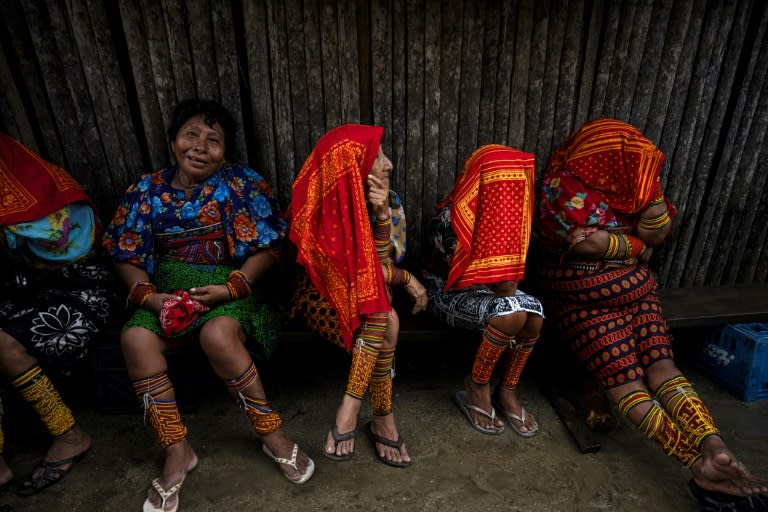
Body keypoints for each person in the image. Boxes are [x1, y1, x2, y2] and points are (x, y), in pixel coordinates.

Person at [535, 118, 768, 510]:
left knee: (663, 367)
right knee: (627, 381)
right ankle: (698, 463)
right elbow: (590, 246)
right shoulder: (562, 187)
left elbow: (657, 235)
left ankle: (714, 446)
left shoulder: (633, 184)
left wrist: (648, 202)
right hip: (585, 299)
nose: (637, 169)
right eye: (629, 161)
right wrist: (637, 247)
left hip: (638, 292)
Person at [102, 99, 314, 512]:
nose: (200, 146)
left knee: (218, 334)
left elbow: (270, 250)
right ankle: (178, 451)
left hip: (231, 292)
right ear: (173, 140)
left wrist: (233, 287)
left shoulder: (241, 184)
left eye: (213, 140)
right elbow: (125, 255)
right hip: (167, 297)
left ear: (226, 151)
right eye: (191, 135)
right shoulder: (145, 190)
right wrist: (150, 297)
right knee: (134, 339)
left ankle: (271, 434)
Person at [287, 124, 427, 467]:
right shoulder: (321, 206)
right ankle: (372, 414)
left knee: (384, 316)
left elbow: (376, 271)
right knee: (384, 317)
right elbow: (357, 277)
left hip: (366, 299)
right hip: (321, 300)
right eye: (377, 156)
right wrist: (407, 278)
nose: (389, 164)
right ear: (353, 164)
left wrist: (381, 216)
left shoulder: (383, 201)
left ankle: (367, 412)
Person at [0, 133, 113, 495]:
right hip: (21, 291)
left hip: (78, 289)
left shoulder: (26, 184)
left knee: (1, 344)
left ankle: (68, 434)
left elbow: (66, 243)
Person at [422, 145, 544, 437]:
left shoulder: (513, 217)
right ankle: (476, 387)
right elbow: (504, 287)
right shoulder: (451, 219)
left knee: (536, 312)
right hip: (447, 294)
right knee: (510, 314)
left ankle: (508, 390)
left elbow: (507, 285)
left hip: (491, 295)